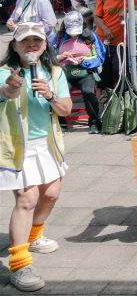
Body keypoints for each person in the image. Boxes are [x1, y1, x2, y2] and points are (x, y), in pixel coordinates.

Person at [0, 23, 72, 292]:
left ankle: (34, 236)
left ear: (44, 45)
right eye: (25, 41)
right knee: (27, 199)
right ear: (14, 46)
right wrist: (10, 89)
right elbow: (3, 94)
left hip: (48, 143)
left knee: (52, 193)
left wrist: (50, 93)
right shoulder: (5, 73)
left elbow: (65, 110)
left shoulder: (54, 72)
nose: (31, 45)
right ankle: (20, 264)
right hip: (18, 145)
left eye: (37, 41)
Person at [50, 11, 106, 133]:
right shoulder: (57, 38)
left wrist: (83, 61)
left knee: (88, 91)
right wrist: (60, 57)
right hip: (64, 72)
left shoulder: (91, 37)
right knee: (57, 91)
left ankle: (94, 121)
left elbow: (100, 58)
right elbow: (47, 57)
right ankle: (61, 122)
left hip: (85, 72)